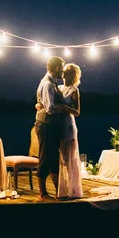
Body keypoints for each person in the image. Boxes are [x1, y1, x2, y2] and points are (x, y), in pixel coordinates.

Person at [35, 56, 66, 200]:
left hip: (50, 125)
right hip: (46, 124)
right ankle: (43, 193)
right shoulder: (47, 84)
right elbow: (50, 109)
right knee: (45, 157)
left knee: (52, 157)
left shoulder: (50, 82)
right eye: (63, 68)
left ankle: (59, 192)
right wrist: (65, 108)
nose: (63, 72)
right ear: (58, 68)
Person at [57, 63, 83, 199]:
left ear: (71, 74)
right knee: (63, 157)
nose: (63, 72)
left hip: (68, 124)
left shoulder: (74, 90)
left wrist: (65, 107)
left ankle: (74, 189)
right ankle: (64, 187)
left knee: (70, 157)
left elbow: (77, 112)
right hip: (59, 125)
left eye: (66, 71)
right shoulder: (59, 88)